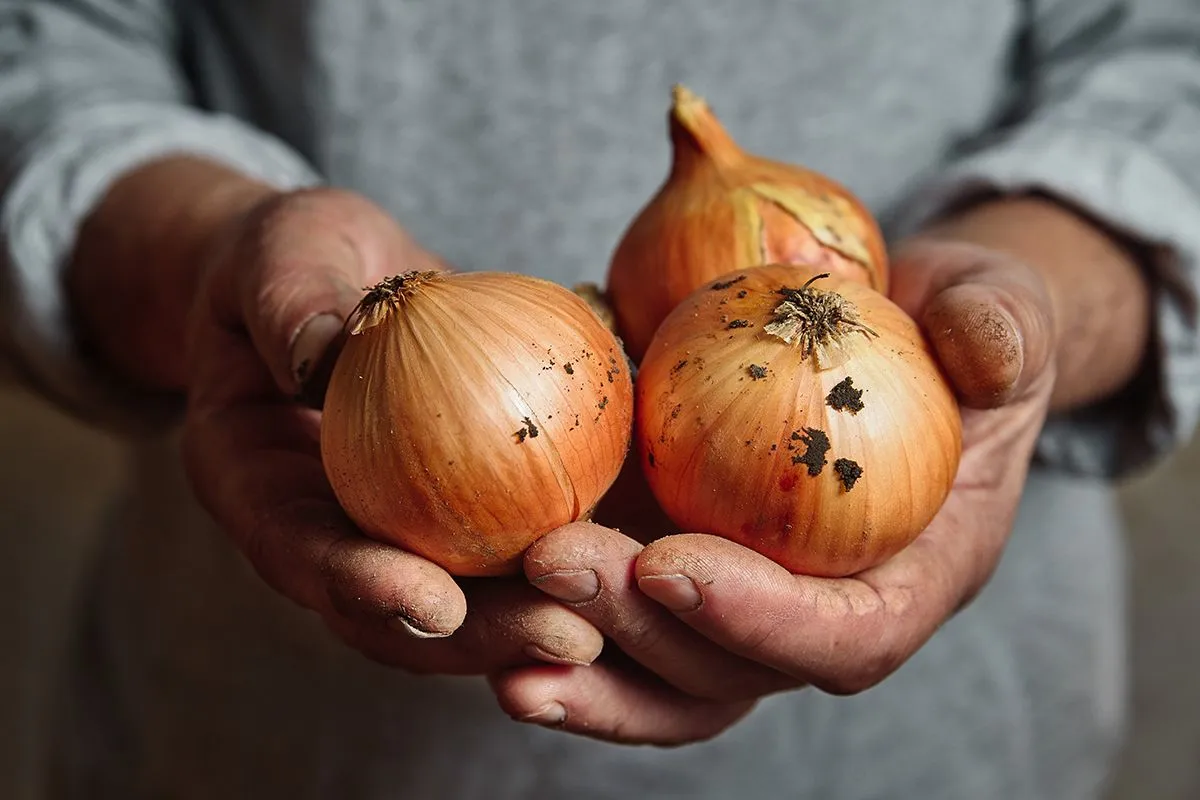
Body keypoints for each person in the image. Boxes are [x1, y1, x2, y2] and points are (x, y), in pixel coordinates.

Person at [1, 0, 1197, 797]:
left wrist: (1042, 281)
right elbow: (44, 50)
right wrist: (211, 254)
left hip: (940, 754)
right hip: (261, 732)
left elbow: (1170, 61)